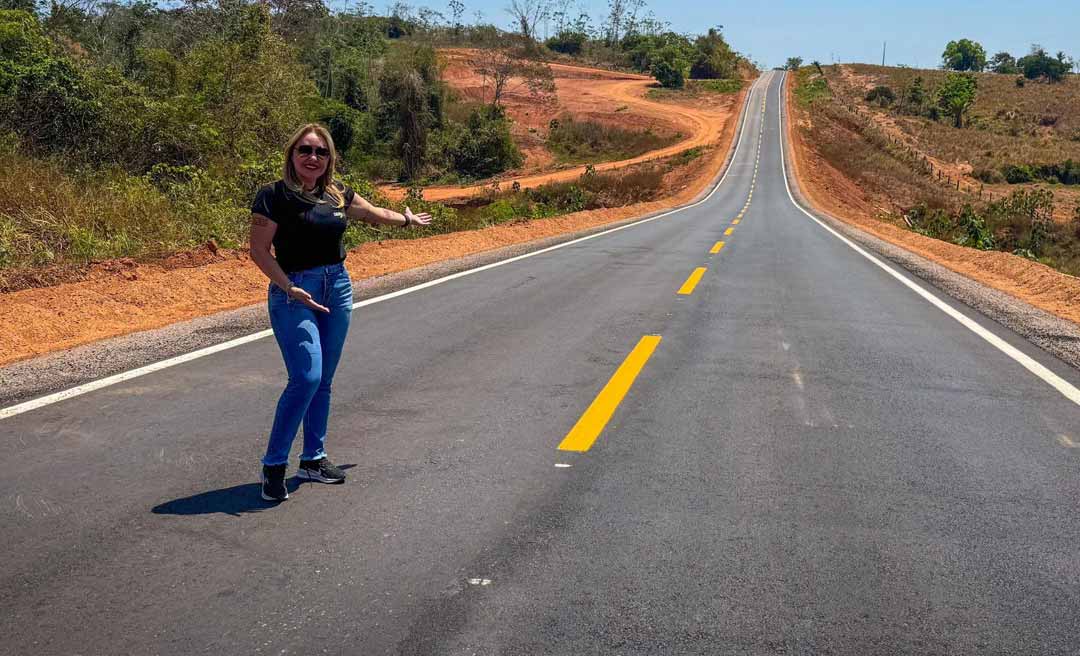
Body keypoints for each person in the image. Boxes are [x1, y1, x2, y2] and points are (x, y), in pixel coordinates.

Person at [250, 123, 432, 502]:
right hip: (293, 291)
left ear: (330, 158)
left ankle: (313, 459)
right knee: (306, 376)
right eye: (305, 150)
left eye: (320, 151)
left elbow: (373, 213)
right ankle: (274, 465)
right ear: (292, 155)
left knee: (324, 380)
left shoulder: (336, 194)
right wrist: (289, 286)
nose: (312, 157)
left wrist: (406, 219)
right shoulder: (273, 197)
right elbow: (259, 251)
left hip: (338, 286)